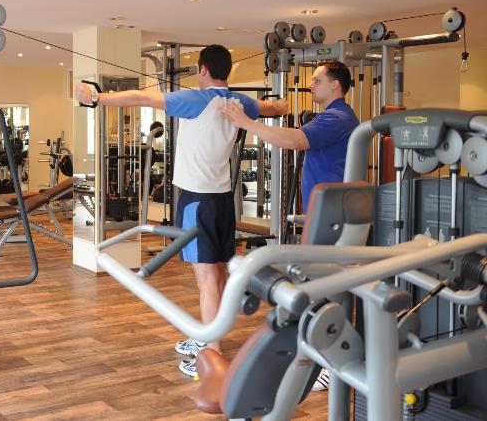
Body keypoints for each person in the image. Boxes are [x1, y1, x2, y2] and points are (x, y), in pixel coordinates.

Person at [75, 44, 287, 377]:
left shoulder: (196, 100)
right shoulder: (241, 102)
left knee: (207, 279)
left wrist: (97, 98)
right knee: (218, 274)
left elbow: (141, 98)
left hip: (197, 201)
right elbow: (273, 107)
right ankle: (209, 336)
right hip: (223, 200)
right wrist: (284, 102)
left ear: (203, 69)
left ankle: (212, 353)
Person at [218, 59, 359, 391]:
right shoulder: (331, 116)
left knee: (330, 288)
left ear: (335, 85)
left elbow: (295, 140)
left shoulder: (337, 117)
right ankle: (326, 357)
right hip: (322, 211)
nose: (311, 85)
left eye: (317, 80)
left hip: (334, 215)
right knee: (323, 287)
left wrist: (245, 122)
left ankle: (334, 363)